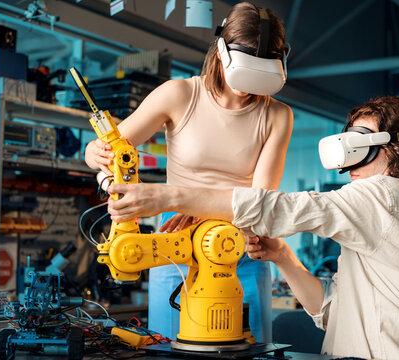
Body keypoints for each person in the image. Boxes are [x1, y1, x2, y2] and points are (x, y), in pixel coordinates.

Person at [105, 96, 399, 359]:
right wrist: (283, 256)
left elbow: (280, 207)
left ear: (397, 147)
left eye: (361, 147)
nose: (350, 161)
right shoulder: (383, 208)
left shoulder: (389, 195)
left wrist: (168, 197)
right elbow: (330, 310)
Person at [84, 2, 293, 343]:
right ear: (221, 52)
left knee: (250, 350)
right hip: (175, 249)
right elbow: (113, 155)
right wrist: (94, 155)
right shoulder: (179, 94)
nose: (247, 86)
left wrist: (198, 214)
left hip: (242, 249)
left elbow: (260, 203)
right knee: (170, 348)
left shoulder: (278, 115)